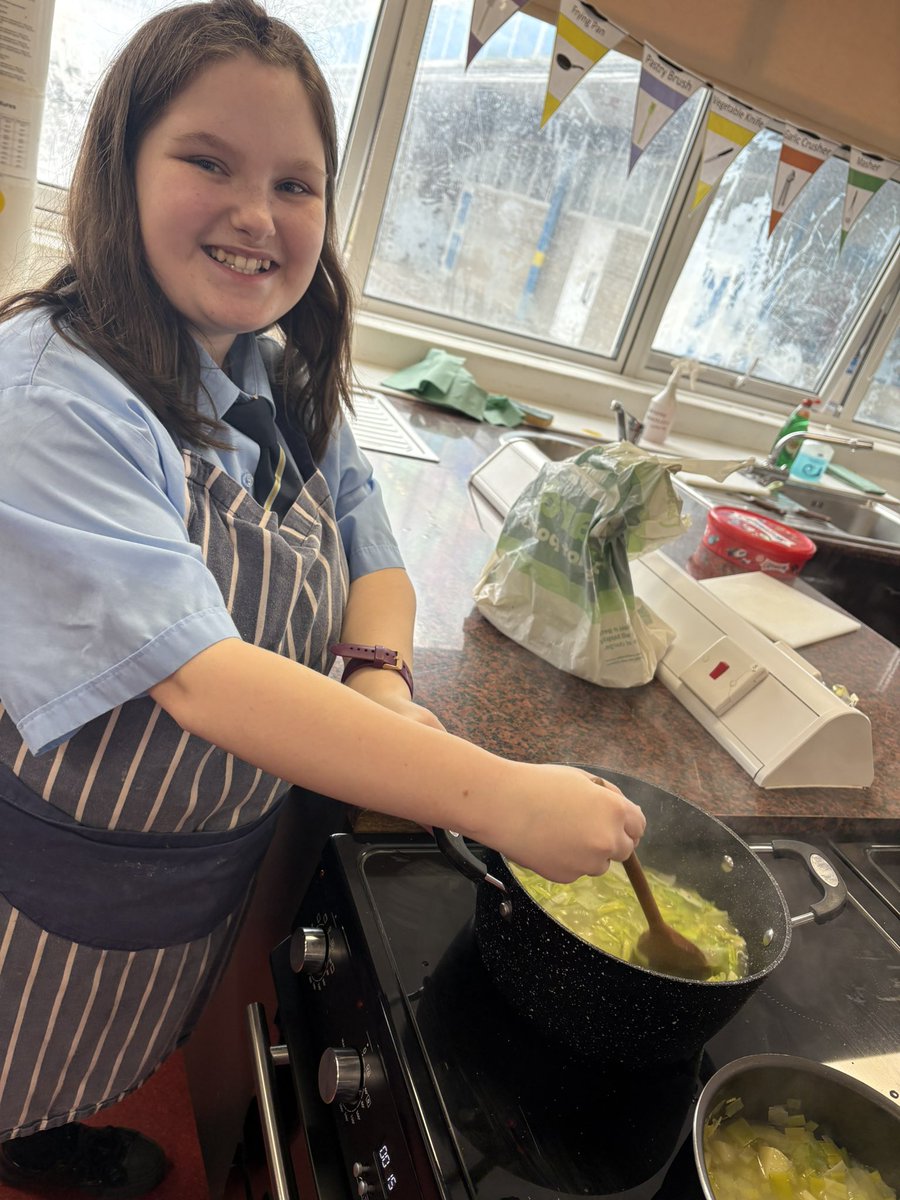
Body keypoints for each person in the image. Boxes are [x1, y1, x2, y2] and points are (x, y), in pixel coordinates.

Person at [0, 1, 645, 1194]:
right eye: (208, 162)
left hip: (193, 870)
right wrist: (503, 799)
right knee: (17, 1047)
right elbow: (204, 679)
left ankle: (41, 1133)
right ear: (118, 168)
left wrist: (380, 678)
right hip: (48, 886)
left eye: (295, 184)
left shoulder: (280, 372)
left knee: (96, 1051)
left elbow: (370, 547)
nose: (258, 214)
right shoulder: (49, 401)